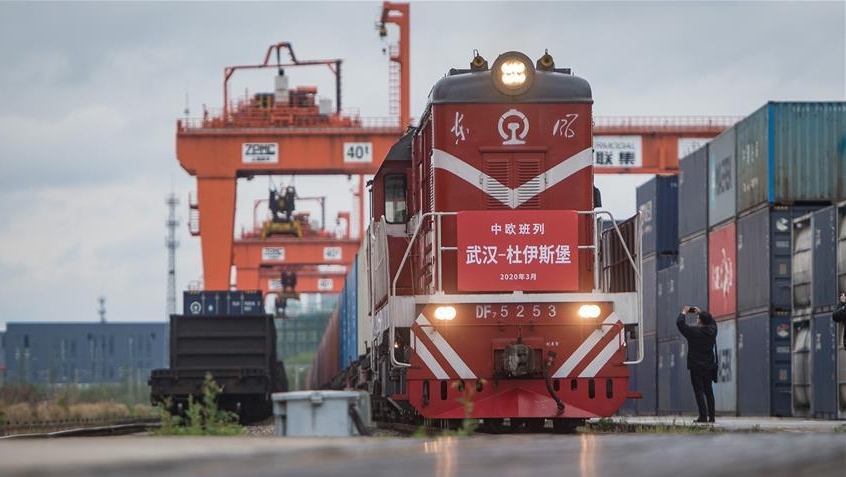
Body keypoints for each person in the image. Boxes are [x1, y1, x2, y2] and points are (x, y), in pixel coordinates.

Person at [677, 306, 718, 423]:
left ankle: (703, 416)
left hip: (696, 367)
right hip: (709, 366)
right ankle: (712, 417)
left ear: (699, 320)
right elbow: (713, 322)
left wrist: (683, 312)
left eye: (698, 318)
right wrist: (701, 313)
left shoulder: (693, 332)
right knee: (709, 391)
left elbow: (680, 324)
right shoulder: (712, 331)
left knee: (699, 391)